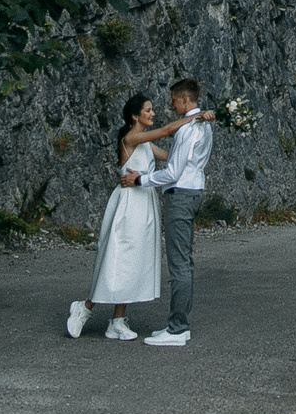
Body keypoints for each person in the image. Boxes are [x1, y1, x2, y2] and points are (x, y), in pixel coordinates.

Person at [67, 93, 201, 340]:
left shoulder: (146, 144)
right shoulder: (130, 138)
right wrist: (196, 116)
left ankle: (117, 320)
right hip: (128, 202)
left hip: (145, 202)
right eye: (148, 110)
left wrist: (199, 132)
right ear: (135, 116)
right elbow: (166, 130)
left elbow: (173, 156)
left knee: (134, 260)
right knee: (117, 257)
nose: (152, 113)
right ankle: (85, 307)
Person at [131, 76, 217, 347]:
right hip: (192, 191)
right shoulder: (202, 125)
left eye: (173, 101)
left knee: (179, 263)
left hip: (180, 195)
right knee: (184, 262)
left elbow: (173, 172)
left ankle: (178, 328)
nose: (170, 106)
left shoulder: (189, 128)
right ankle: (180, 325)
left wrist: (140, 180)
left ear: (183, 99)